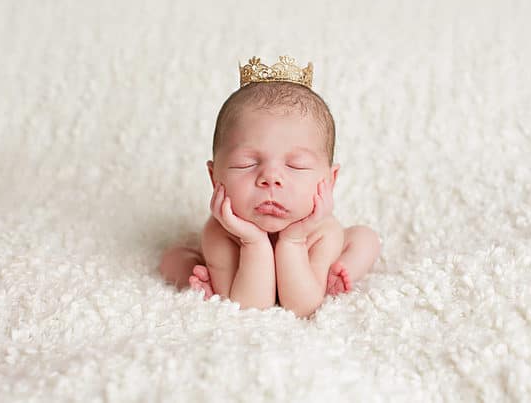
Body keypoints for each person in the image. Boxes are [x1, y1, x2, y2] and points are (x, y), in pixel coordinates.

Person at [159, 55, 380, 317]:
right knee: (174, 258)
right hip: (240, 258)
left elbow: (303, 306)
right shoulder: (220, 234)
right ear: (214, 177)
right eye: (245, 163)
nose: (271, 178)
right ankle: (203, 283)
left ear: (330, 181)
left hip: (311, 246)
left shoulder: (323, 231)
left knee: (365, 239)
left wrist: (294, 240)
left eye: (296, 165)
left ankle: (337, 276)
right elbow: (251, 306)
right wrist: (252, 242)